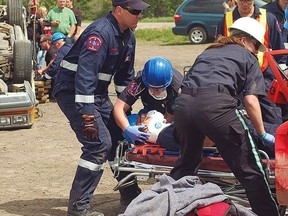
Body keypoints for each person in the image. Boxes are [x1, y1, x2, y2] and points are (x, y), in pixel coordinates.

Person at [170, 17, 279, 216]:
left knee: (185, 167)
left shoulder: (208, 52)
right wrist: (262, 133)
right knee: (251, 170)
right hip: (216, 105)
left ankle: (172, 207)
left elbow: (181, 91)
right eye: (256, 45)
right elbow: (252, 101)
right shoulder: (248, 57)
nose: (256, 51)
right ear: (246, 40)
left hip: (184, 107)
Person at [52, 0, 150, 215]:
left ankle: (129, 192)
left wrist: (126, 114)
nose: (139, 16)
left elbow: (125, 79)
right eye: (135, 11)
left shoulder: (128, 36)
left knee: (119, 137)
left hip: (96, 93)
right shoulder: (100, 33)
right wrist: (87, 115)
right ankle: (79, 208)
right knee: (98, 144)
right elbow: (85, 76)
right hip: (73, 92)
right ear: (119, 10)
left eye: (141, 12)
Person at [216, 0, 285, 137]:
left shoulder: (268, 18)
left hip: (265, 78)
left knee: (273, 119)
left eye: (248, 0)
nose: (245, 3)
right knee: (240, 121)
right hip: (237, 80)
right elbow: (218, 49)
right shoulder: (225, 21)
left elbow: (279, 52)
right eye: (242, 0)